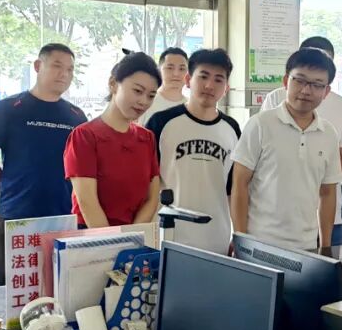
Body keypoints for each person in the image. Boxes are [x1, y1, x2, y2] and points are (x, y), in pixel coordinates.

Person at [0, 43, 87, 286]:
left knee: (57, 290)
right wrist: (7, 187)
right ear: (38, 66)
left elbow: (84, 167)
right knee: (11, 290)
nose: (64, 74)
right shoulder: (8, 109)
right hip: (17, 216)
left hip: (62, 217)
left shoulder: (76, 116)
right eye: (57, 66)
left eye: (70, 69)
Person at [231, 49, 342, 251]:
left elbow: (327, 193)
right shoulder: (260, 124)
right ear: (285, 81)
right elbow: (240, 183)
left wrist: (325, 246)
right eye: (299, 80)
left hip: (306, 247)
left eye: (317, 85)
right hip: (259, 244)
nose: (306, 90)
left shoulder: (328, 134)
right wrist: (240, 239)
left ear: (326, 91)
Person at [260, 36, 342, 243]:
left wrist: (316, 186)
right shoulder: (275, 99)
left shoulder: (340, 106)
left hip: (328, 213)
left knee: (326, 257)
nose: (307, 89)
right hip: (275, 217)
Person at [146, 49, 240, 255]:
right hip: (169, 235)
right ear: (188, 80)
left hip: (217, 238)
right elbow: (146, 183)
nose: (209, 85)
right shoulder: (161, 122)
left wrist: (239, 235)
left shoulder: (232, 128)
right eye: (203, 76)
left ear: (226, 87)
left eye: (218, 80)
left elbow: (233, 190)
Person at [64, 52, 162, 228]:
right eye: (137, 91)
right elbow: (88, 203)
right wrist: (114, 242)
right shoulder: (84, 136)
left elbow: (152, 198)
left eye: (151, 95)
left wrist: (132, 236)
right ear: (113, 84)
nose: (143, 101)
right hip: (92, 235)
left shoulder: (147, 138)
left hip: (134, 237)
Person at [138, 47, 189, 126]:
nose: (176, 74)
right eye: (170, 68)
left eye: (182, 69)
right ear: (159, 71)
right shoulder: (145, 102)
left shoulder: (192, 106)